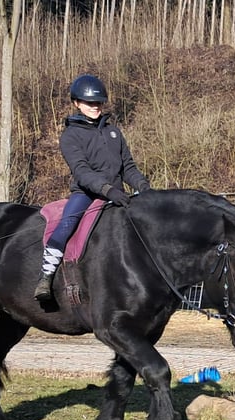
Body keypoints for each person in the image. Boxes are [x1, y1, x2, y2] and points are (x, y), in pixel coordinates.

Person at [34, 74, 151, 301]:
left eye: (98, 102)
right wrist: (108, 190)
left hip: (118, 193)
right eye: (89, 103)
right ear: (77, 103)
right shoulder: (70, 135)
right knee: (66, 225)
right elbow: (82, 172)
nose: (95, 107)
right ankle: (46, 276)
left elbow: (128, 167)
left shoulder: (114, 132)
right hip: (86, 194)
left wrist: (143, 186)